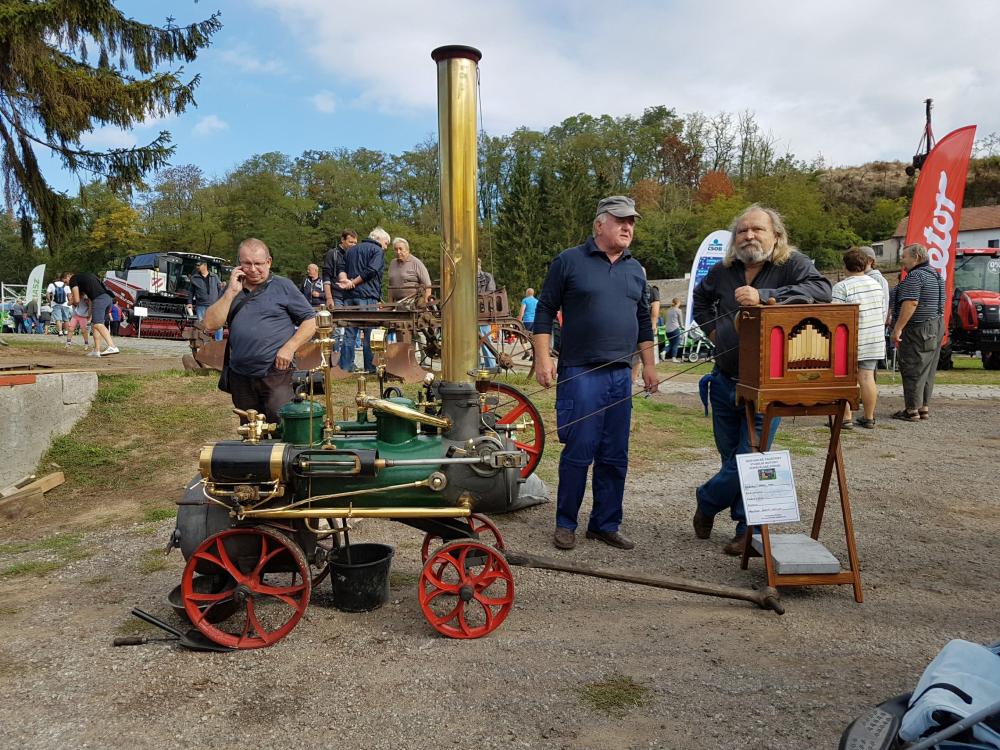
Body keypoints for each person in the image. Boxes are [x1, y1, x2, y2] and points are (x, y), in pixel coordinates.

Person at [692, 204, 832, 555]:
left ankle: (717, 508)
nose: (749, 236)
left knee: (751, 459)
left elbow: (822, 289)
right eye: (742, 230)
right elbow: (701, 299)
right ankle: (741, 523)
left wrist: (767, 297)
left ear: (776, 235)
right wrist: (713, 331)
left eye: (757, 229)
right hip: (724, 379)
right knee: (731, 457)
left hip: (768, 385)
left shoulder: (793, 264)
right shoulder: (723, 270)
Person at [533, 195, 659, 552]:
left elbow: (643, 321)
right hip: (580, 372)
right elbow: (545, 310)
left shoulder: (636, 270)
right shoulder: (569, 261)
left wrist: (649, 366)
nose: (628, 227)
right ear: (599, 224)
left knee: (615, 454)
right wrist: (543, 358)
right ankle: (566, 523)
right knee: (579, 450)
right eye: (621, 220)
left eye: (632, 221)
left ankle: (605, 524)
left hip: (621, 375)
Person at [204, 238, 317, 424]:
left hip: (276, 373)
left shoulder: (283, 286)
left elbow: (311, 321)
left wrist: (289, 348)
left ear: (269, 262)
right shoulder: (231, 289)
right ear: (238, 264)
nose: (253, 269)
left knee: (282, 425)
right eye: (247, 264)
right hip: (241, 375)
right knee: (250, 429)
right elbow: (210, 324)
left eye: (258, 263)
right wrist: (231, 292)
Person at [832, 248, 886, 429]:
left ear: (845, 265)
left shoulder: (842, 287)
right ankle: (869, 417)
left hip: (851, 340)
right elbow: (882, 311)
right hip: (874, 338)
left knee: (845, 378)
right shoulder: (877, 285)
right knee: (867, 377)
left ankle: (845, 418)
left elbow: (836, 317)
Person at [890, 243, 944, 422]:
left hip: (918, 328)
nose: (902, 260)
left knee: (913, 367)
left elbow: (911, 302)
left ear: (916, 258)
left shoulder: (916, 276)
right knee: (928, 369)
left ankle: (911, 410)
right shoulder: (936, 274)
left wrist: (898, 328)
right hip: (936, 325)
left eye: (904, 257)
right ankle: (923, 408)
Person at [337, 227, 388, 373]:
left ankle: (345, 367)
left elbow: (341, 268)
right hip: (367, 296)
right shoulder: (377, 250)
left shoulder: (351, 250)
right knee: (369, 333)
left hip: (349, 297)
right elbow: (371, 271)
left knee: (349, 333)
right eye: (386, 243)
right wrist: (353, 282)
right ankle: (370, 367)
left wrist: (346, 281)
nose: (386, 247)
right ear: (378, 239)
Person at [322, 229, 358, 357]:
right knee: (336, 330)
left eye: (355, 243)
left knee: (351, 330)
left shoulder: (355, 255)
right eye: (350, 242)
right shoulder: (333, 254)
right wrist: (329, 297)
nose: (353, 245)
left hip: (351, 296)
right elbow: (326, 276)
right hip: (336, 295)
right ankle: (334, 359)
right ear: (342, 240)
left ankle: (347, 361)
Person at [68, 271, 118, 356]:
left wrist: (69, 302)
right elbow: (91, 299)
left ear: (68, 277)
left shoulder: (73, 279)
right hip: (108, 298)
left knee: (98, 324)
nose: (67, 284)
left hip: (99, 299)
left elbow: (77, 300)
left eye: (65, 281)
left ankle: (112, 346)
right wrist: (90, 314)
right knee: (95, 325)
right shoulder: (88, 277)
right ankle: (96, 351)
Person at [187, 260, 225, 342]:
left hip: (214, 306)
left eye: (199, 265)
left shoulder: (214, 277)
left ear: (205, 266)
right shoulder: (194, 278)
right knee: (202, 326)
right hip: (201, 305)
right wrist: (189, 303)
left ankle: (219, 343)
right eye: (196, 265)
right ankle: (205, 344)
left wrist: (220, 302)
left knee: (219, 325)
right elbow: (191, 291)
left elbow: (220, 289)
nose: (197, 267)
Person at [387, 237, 432, 304]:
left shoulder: (416, 263)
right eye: (396, 249)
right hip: (397, 303)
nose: (398, 252)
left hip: (414, 303)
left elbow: (427, 285)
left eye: (400, 249)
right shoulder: (392, 263)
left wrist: (426, 303)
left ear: (407, 249)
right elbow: (390, 285)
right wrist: (389, 303)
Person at [477, 259, 497, 369]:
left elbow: (491, 292)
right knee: (472, 342)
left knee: (485, 340)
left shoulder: (487, 276)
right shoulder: (467, 278)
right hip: (470, 313)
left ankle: (491, 366)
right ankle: (476, 365)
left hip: (484, 312)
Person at [47, 272, 72, 336]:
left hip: (55, 304)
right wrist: (70, 303)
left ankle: (60, 332)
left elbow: (47, 294)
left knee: (58, 319)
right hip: (65, 304)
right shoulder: (66, 285)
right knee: (66, 319)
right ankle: (66, 332)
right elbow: (69, 296)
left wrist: (50, 302)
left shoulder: (51, 285)